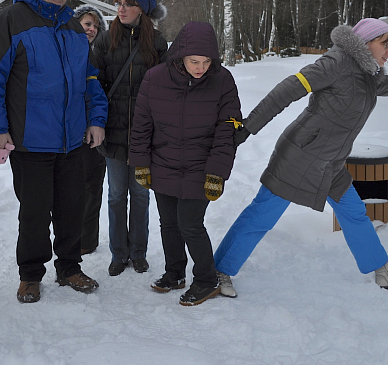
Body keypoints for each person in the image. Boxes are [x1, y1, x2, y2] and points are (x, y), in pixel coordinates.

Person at [214, 18, 388, 294]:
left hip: (332, 162)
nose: (387, 51)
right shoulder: (336, 63)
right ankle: (219, 270)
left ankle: (381, 266)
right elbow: (287, 89)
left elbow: (383, 86)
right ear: (366, 42)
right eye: (385, 43)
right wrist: (250, 126)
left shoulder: (368, 72)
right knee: (262, 215)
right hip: (301, 157)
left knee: (354, 214)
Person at [0, 0, 108, 303]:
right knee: (35, 211)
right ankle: (31, 274)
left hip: (72, 139)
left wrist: (96, 119)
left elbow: (90, 78)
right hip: (31, 138)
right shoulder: (11, 21)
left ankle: (69, 267)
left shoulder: (73, 27)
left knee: (71, 207)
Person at [129, 21, 241, 306]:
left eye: (206, 61)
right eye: (194, 61)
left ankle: (206, 279)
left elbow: (227, 130)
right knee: (168, 223)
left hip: (200, 167)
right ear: (180, 55)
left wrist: (216, 173)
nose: (200, 67)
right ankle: (174, 272)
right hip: (163, 163)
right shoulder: (155, 78)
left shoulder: (222, 80)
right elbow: (141, 125)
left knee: (190, 223)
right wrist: (141, 163)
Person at [93, 0, 168, 276]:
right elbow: (94, 85)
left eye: (128, 3)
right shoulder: (103, 40)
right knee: (115, 195)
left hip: (144, 136)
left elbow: (166, 90)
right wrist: (96, 122)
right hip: (112, 132)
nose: (121, 9)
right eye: (118, 2)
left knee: (140, 195)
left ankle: (138, 252)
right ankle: (118, 253)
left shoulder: (158, 43)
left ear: (143, 9)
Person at [73, 4, 107, 255]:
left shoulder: (104, 54)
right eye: (87, 23)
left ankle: (87, 240)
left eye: (95, 25)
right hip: (71, 128)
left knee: (92, 187)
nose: (91, 28)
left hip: (97, 128)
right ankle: (70, 236)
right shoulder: (69, 50)